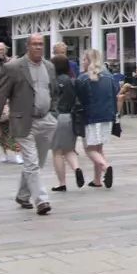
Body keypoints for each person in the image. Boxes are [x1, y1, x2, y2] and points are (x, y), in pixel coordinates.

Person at [0, 34, 58, 216]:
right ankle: (42, 200)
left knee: (37, 162)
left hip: (46, 119)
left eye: (41, 44)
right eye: (34, 44)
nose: (38, 47)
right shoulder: (13, 68)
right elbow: (1, 95)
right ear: (27, 46)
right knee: (31, 162)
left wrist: (54, 114)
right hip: (23, 120)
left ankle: (23, 194)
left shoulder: (49, 66)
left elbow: (54, 92)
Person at [74, 48, 120, 188]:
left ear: (89, 60)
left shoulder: (82, 78)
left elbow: (79, 99)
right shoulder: (109, 77)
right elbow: (115, 95)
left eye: (84, 59)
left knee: (89, 148)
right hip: (107, 115)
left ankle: (106, 168)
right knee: (98, 148)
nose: (82, 62)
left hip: (91, 116)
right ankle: (97, 180)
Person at [48, 42, 81, 191]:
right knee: (69, 149)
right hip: (71, 116)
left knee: (57, 152)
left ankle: (61, 182)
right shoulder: (73, 80)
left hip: (57, 116)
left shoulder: (52, 81)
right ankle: (76, 168)